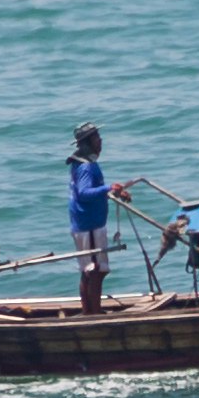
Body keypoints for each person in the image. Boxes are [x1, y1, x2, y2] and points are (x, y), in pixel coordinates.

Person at [67, 125, 114, 308]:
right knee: (95, 270)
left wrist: (111, 192)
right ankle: (93, 313)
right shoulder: (86, 167)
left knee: (89, 270)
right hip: (89, 226)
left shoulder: (81, 164)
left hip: (84, 224)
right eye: (96, 138)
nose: (100, 141)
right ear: (87, 143)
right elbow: (84, 193)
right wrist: (108, 188)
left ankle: (89, 311)